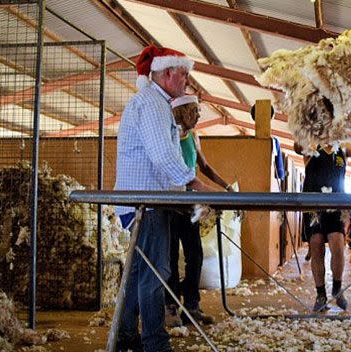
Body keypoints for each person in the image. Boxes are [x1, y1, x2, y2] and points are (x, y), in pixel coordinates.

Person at [113, 45, 210, 352]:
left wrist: (186, 193)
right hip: (147, 203)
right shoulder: (152, 105)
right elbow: (163, 157)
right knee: (156, 272)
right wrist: (197, 185)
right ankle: (155, 343)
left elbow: (163, 159)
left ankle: (126, 335)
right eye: (184, 74)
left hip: (146, 201)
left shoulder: (153, 103)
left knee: (141, 271)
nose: (187, 81)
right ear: (168, 73)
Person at [164, 95, 233, 327]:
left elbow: (204, 167)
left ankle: (192, 306)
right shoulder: (169, 137)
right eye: (194, 111)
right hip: (172, 204)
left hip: (190, 205)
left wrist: (226, 187)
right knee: (171, 256)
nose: (198, 115)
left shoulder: (194, 136)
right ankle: (171, 307)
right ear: (181, 112)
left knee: (195, 255)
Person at [295, 141, 351, 312]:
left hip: (336, 205)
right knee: (316, 245)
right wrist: (301, 126)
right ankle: (320, 294)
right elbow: (298, 147)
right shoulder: (311, 146)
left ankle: (337, 288)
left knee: (337, 243)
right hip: (314, 206)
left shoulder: (342, 149)